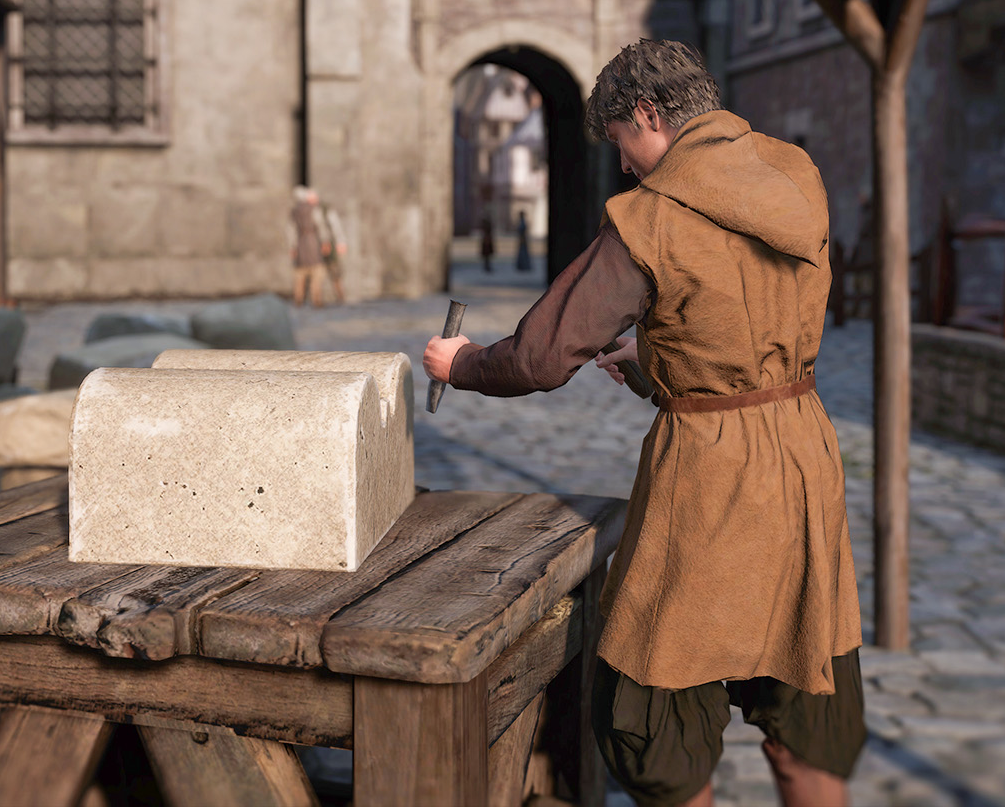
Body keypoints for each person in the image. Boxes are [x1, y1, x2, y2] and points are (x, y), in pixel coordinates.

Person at [424, 41, 863, 807]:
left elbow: (541, 357)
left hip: (709, 477)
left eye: (622, 141)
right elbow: (743, 324)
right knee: (808, 703)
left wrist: (462, 363)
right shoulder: (794, 173)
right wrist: (655, 356)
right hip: (802, 458)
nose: (624, 165)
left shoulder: (651, 218)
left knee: (656, 714)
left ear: (650, 115)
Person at [287, 185, 326, 307]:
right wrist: (325, 241)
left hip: (300, 242)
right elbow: (321, 225)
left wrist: (292, 247)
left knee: (300, 272)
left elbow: (291, 231)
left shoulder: (294, 211)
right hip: (312, 241)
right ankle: (316, 299)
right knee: (316, 270)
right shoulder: (314, 209)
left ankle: (298, 299)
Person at [315, 195, 349, 306]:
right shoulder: (309, 210)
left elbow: (335, 227)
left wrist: (340, 242)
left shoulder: (325, 210)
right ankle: (317, 300)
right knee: (317, 275)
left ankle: (341, 298)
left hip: (328, 246)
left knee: (335, 273)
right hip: (314, 247)